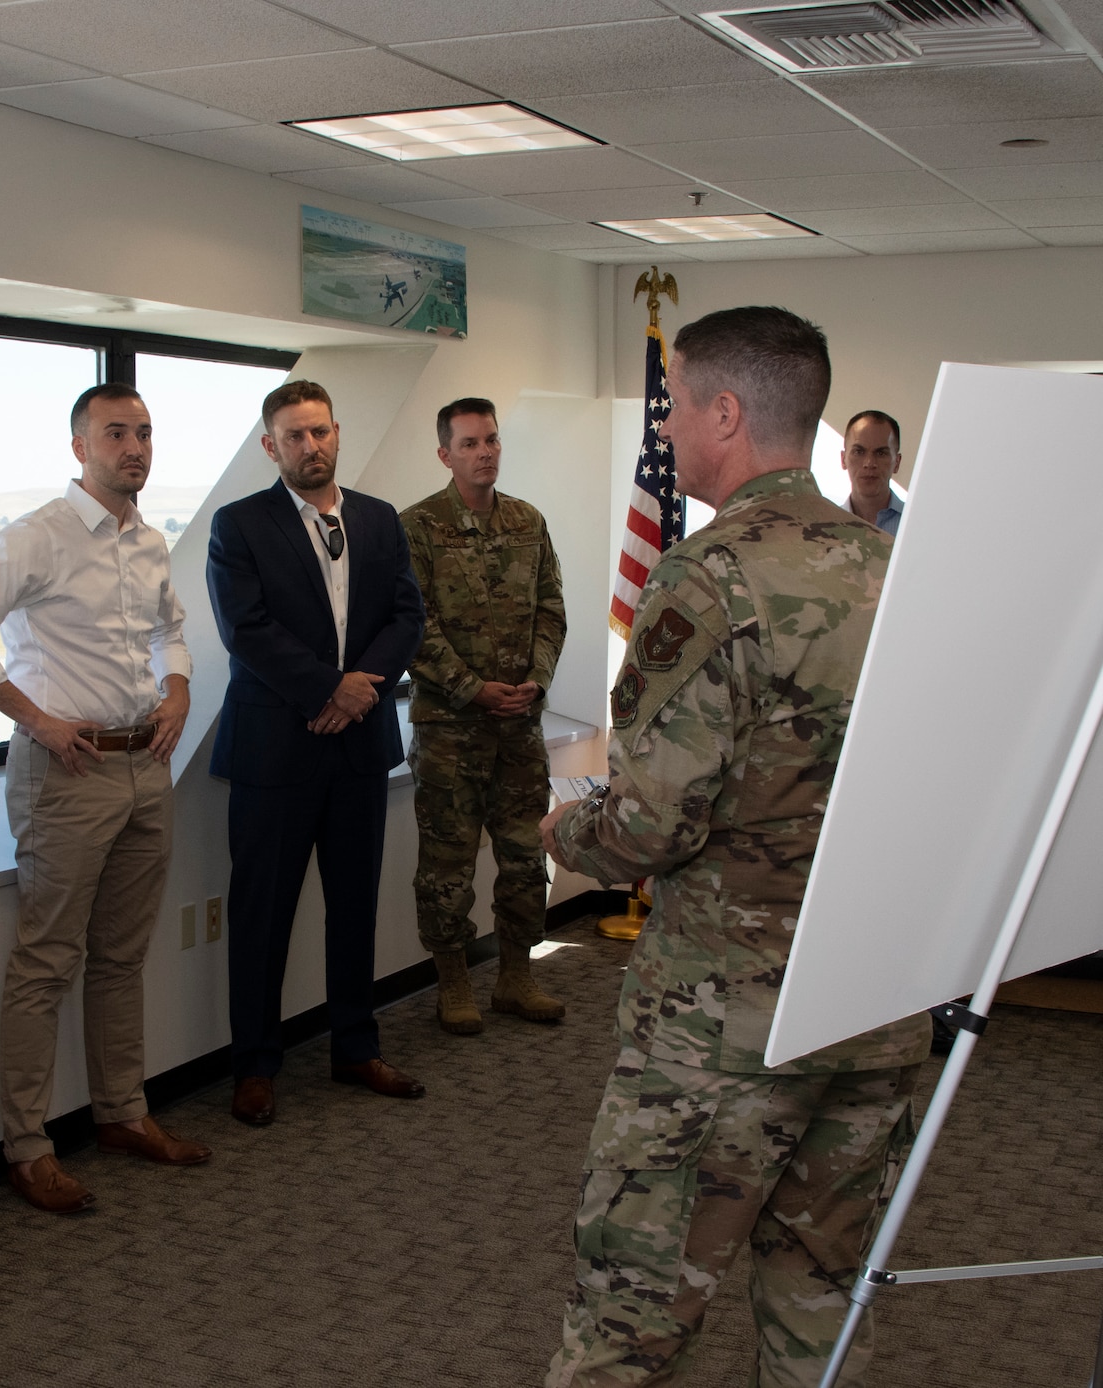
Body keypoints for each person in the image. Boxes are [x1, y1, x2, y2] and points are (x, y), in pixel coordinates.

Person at [539, 307, 931, 1387]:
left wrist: (561, 829)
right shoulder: (903, 569)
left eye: (669, 404)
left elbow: (650, 822)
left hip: (720, 1027)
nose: (662, 428)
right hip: (872, 1002)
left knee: (627, 1317)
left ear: (724, 411)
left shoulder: (706, 577)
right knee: (817, 1305)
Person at [0, 383, 209, 1217]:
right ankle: (27, 1147)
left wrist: (178, 690)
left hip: (144, 764)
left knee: (122, 955)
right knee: (47, 961)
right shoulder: (39, 537)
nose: (135, 447)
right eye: (116, 433)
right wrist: (36, 719)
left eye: (146, 433)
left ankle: (123, 1113)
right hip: (68, 770)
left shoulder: (149, 540)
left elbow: (171, 628)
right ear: (79, 447)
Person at [206, 379, 427, 1127]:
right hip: (276, 752)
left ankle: (355, 1046)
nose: (311, 446)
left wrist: (364, 690)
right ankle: (255, 1064)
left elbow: (406, 613)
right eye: (294, 436)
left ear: (338, 433)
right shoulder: (238, 527)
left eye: (321, 432)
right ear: (271, 447)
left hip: (359, 750)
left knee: (356, 907)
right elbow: (248, 630)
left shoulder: (378, 518)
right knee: (262, 916)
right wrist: (331, 689)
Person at [400, 397, 567, 1037]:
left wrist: (536, 680)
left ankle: (517, 977)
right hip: (449, 729)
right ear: (446, 454)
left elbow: (551, 610)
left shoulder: (528, 521)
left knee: (528, 855)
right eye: (470, 443)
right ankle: (454, 983)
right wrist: (473, 689)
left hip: (519, 726)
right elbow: (414, 624)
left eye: (492, 440)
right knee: (448, 865)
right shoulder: (417, 526)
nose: (485, 452)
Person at [842, 408, 907, 535]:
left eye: (881, 453)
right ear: (843, 459)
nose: (869, 463)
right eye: (859, 452)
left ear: (897, 463)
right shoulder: (825, 526)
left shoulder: (916, 523)